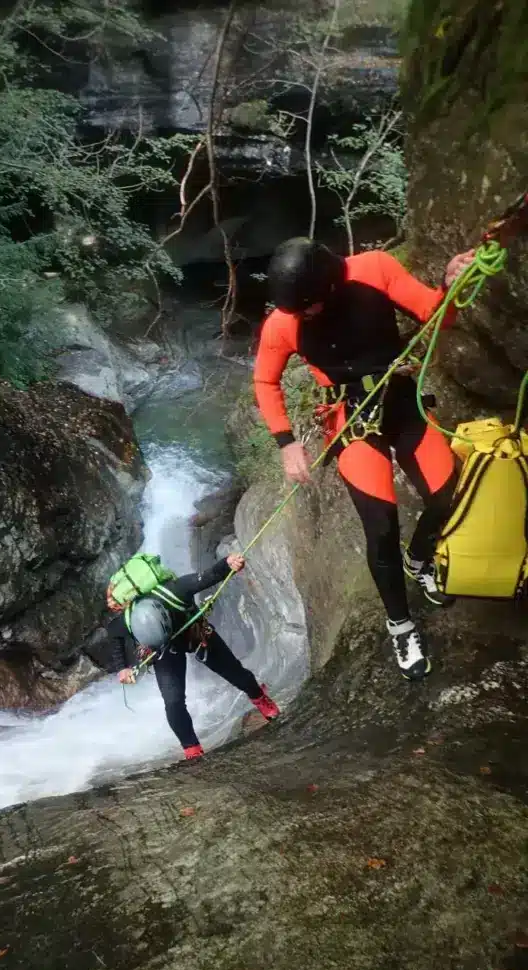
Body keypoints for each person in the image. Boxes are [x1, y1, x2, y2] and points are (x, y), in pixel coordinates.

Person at [254, 237, 476, 681]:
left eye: (308, 306)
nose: (303, 315)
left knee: (449, 495)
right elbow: (265, 381)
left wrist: (450, 285)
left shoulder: (373, 269)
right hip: (350, 420)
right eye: (296, 309)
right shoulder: (284, 323)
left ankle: (420, 558)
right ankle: (401, 624)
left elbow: (439, 316)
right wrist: (286, 442)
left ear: (329, 284)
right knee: (380, 527)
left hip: (401, 402)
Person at [105, 553, 280, 760]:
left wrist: (228, 563)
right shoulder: (128, 621)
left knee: (235, 673)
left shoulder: (176, 590)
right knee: (173, 702)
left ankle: (260, 699)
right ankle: (192, 749)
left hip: (194, 633)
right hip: (163, 650)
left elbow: (209, 576)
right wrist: (122, 667)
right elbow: (113, 634)